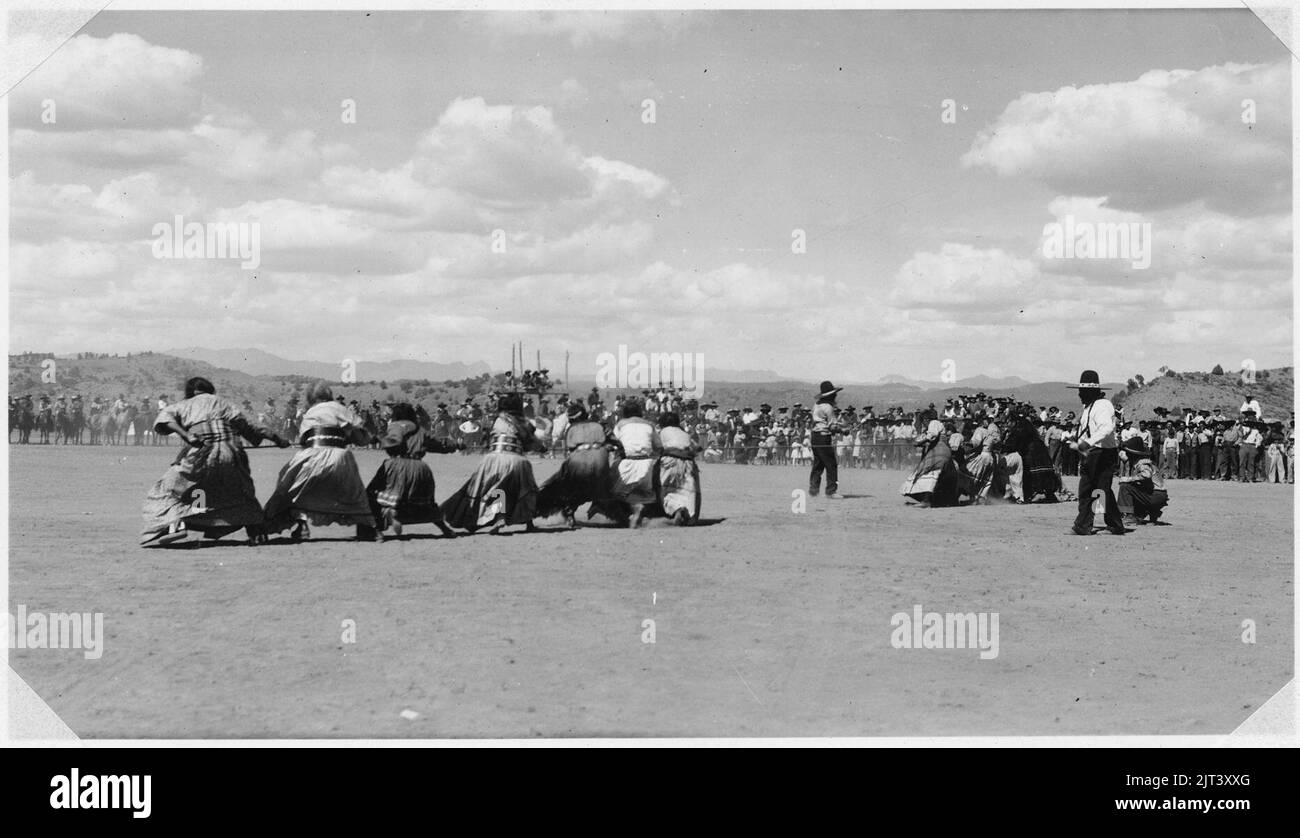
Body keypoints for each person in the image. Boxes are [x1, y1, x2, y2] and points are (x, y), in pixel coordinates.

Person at [140, 377, 291, 547]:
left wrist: (186, 434)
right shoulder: (225, 404)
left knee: (169, 489)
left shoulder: (185, 404)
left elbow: (165, 418)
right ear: (209, 389)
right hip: (231, 453)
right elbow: (253, 427)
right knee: (241, 491)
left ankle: (177, 525)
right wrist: (279, 440)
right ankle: (256, 532)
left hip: (200, 453)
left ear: (190, 392)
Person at [263, 381, 379, 541]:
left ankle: (301, 525)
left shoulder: (309, 413)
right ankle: (367, 527)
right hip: (340, 458)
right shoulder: (339, 408)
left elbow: (305, 441)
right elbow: (360, 437)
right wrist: (365, 439)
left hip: (311, 456)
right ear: (328, 396)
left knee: (290, 484)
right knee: (355, 491)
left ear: (311, 398)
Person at [441, 392, 545, 534]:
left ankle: (498, 517)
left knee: (496, 489)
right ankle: (528, 522)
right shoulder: (524, 422)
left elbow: (488, 438)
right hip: (516, 460)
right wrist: (542, 448)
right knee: (525, 489)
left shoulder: (497, 420)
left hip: (493, 459)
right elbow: (532, 443)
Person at [366, 403, 460, 539]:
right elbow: (439, 445)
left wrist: (378, 439)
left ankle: (378, 528)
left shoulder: (395, 426)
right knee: (426, 501)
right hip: (420, 469)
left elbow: (393, 442)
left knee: (371, 494)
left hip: (397, 466)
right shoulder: (420, 429)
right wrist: (456, 445)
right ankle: (446, 530)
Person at [536, 402, 621, 528]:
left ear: (571, 419)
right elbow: (615, 441)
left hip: (577, 464)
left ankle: (569, 511)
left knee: (566, 486)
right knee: (606, 486)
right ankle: (606, 508)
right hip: (600, 464)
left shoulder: (571, 430)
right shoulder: (600, 425)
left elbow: (573, 450)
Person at [1067, 370, 1126, 536]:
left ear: (1089, 392)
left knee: (1096, 490)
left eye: (1081, 391)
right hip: (1093, 453)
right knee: (1095, 489)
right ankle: (1109, 525)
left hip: (1103, 453)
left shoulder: (1102, 406)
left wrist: (1087, 443)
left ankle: (1085, 525)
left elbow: (1106, 428)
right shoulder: (1088, 407)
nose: (1079, 394)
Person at [611, 399, 662, 527]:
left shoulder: (621, 424)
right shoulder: (649, 424)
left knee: (613, 492)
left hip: (627, 463)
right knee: (648, 491)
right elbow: (659, 446)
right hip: (647, 464)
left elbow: (614, 441)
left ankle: (633, 510)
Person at [656, 411, 702, 526]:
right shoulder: (684, 433)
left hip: (669, 461)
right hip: (687, 463)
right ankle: (690, 516)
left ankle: (676, 509)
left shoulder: (661, 432)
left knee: (666, 491)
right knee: (688, 491)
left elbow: (656, 447)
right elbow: (698, 448)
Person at [1116, 437, 1169, 527]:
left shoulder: (1141, 463)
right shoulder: (1147, 462)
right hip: (1161, 495)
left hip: (1155, 495)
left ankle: (1130, 516)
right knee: (1136, 487)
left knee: (1125, 487)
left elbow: (1146, 475)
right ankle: (1150, 515)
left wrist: (1128, 479)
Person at [809, 381, 843, 498]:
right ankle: (831, 491)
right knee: (831, 464)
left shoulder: (816, 405)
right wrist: (843, 430)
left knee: (818, 464)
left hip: (814, 437)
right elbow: (832, 427)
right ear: (831, 395)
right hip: (824, 437)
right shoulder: (829, 407)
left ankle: (813, 490)